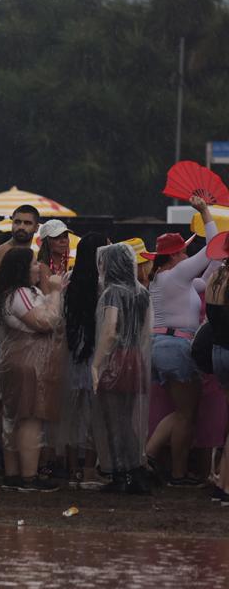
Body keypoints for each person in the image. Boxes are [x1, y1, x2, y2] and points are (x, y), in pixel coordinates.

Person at [144, 195, 219, 487]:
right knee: (185, 412)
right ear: (175, 255)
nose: (188, 256)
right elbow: (211, 251)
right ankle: (147, 455)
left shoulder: (165, 279)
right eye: (185, 252)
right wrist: (205, 212)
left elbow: (209, 275)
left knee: (183, 413)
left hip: (162, 346)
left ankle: (176, 474)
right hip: (176, 347)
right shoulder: (176, 274)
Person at [0, 246, 64, 492]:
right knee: (30, 417)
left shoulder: (13, 293)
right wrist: (55, 292)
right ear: (22, 268)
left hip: (18, 359)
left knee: (15, 417)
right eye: (34, 263)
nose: (38, 267)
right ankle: (29, 477)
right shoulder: (20, 293)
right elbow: (45, 322)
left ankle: (14, 474)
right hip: (27, 362)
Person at [91, 243, 153, 495]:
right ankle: (134, 470)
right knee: (129, 420)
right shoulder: (142, 293)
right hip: (135, 357)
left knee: (113, 420)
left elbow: (109, 330)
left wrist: (97, 364)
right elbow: (147, 331)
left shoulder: (112, 293)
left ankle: (121, 475)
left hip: (115, 359)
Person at [59, 233, 109, 487]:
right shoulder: (104, 285)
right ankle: (90, 469)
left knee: (72, 412)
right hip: (95, 351)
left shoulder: (69, 280)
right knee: (94, 413)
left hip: (72, 350)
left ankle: (72, 469)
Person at [0, 204, 39, 287]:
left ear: (36, 228)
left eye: (27, 223)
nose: (21, 227)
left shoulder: (29, 253)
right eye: (17, 222)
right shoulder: (4, 252)